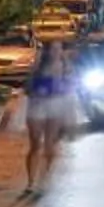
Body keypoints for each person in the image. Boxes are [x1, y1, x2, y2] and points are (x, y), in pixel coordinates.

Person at [23, 37, 78, 198]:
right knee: (34, 142)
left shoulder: (65, 66)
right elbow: (27, 85)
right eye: (53, 49)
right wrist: (35, 88)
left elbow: (72, 85)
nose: (56, 52)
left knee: (49, 144)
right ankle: (30, 182)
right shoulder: (38, 65)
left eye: (58, 49)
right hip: (37, 104)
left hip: (57, 104)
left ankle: (43, 180)